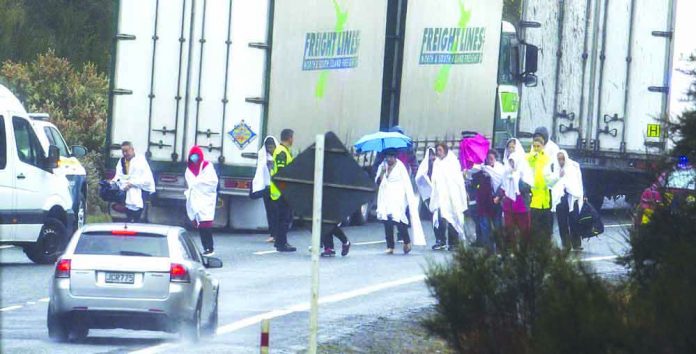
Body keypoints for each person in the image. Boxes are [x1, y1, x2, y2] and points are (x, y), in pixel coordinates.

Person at [375, 149, 426, 254]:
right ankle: (390, 246)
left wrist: (407, 198)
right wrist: (383, 173)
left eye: (391, 157)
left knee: (398, 219)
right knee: (386, 220)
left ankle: (407, 241)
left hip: (398, 196)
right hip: (386, 196)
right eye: (387, 157)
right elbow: (378, 182)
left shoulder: (400, 167)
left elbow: (406, 183)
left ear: (395, 157)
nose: (389, 159)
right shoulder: (382, 166)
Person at [429, 143, 469, 251]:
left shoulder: (452, 162)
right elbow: (435, 179)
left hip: (452, 195)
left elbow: (457, 180)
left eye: (440, 150)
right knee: (438, 217)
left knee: (453, 217)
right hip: (440, 195)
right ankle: (440, 240)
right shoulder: (436, 163)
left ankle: (453, 243)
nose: (438, 152)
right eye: (437, 150)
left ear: (445, 151)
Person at [184, 146, 219, 256]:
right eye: (192, 156)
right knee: (200, 224)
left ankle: (210, 247)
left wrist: (197, 184)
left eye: (196, 156)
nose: (194, 158)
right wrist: (195, 186)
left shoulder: (207, 167)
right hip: (195, 198)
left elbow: (212, 182)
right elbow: (190, 183)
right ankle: (205, 247)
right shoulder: (189, 169)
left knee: (206, 223)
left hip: (206, 198)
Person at [496, 138, 532, 240]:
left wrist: (517, 179)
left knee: (524, 229)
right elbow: (503, 184)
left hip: (521, 203)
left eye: (513, 147)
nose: (511, 149)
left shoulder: (524, 167)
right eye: (509, 147)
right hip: (508, 204)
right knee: (509, 229)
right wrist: (499, 196)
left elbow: (528, 185)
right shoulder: (506, 169)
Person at [549, 150, 584, 250]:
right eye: (559, 159)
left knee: (574, 221)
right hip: (560, 199)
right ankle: (566, 244)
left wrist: (581, 195)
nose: (561, 161)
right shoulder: (555, 168)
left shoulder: (573, 167)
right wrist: (558, 177)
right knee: (562, 222)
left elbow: (578, 182)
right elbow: (552, 184)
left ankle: (576, 243)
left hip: (572, 198)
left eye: (562, 159)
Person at [112, 141, 155, 223]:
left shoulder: (140, 160)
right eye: (123, 151)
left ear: (132, 150)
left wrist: (132, 183)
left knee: (138, 211)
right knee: (128, 208)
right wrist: (118, 182)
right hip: (126, 188)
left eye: (127, 151)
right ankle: (129, 219)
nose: (125, 153)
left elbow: (145, 177)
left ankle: (136, 221)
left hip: (142, 188)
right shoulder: (122, 161)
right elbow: (119, 175)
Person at [269, 129, 297, 252]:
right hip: (282, 191)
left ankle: (280, 242)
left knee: (283, 218)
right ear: (289, 138)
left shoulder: (284, 151)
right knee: (284, 219)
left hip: (281, 190)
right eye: (292, 138)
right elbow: (281, 173)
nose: (293, 140)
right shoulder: (281, 152)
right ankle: (281, 243)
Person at [471, 149, 504, 252]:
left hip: (496, 202)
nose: (490, 160)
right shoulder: (481, 169)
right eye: (488, 158)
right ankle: (489, 248)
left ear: (495, 158)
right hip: (483, 203)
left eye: (492, 158)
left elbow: (504, 185)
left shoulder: (501, 169)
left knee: (497, 226)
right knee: (485, 227)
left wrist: (498, 196)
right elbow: (473, 182)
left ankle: (499, 247)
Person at [251, 136, 279, 243]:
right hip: (267, 187)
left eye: (272, 147)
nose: (270, 149)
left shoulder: (279, 156)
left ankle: (278, 234)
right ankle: (273, 234)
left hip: (277, 188)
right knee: (270, 212)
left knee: (278, 212)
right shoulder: (263, 156)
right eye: (268, 147)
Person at [527, 136, 554, 239]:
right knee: (534, 226)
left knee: (546, 226)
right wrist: (533, 156)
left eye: (538, 146)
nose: (536, 148)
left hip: (545, 198)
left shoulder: (547, 159)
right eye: (534, 146)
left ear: (543, 147)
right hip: (534, 198)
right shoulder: (529, 158)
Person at [416, 148, 441, 249]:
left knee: (441, 217)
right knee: (434, 217)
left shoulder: (439, 166)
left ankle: (442, 239)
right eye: (431, 156)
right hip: (430, 196)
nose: (433, 158)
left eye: (434, 155)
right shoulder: (425, 167)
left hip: (440, 194)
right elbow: (420, 178)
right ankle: (438, 239)